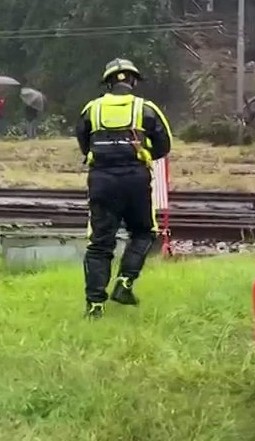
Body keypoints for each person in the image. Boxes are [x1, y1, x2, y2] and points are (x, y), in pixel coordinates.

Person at [75, 58, 173, 319]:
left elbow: (84, 143)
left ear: (107, 83)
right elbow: (164, 146)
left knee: (99, 244)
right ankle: (125, 283)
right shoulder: (146, 109)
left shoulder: (91, 109)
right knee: (143, 232)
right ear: (132, 81)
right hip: (135, 180)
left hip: (101, 181)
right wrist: (141, 152)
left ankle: (95, 305)